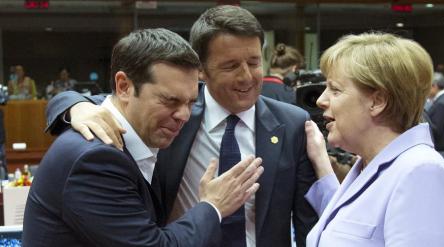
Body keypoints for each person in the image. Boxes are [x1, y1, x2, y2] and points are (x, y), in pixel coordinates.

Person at [44, 5, 318, 247]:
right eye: (231, 66)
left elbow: (308, 224)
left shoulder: (292, 124)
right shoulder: (174, 114)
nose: (246, 76)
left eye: (254, 62)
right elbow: (120, 100)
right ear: (202, 69)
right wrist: (74, 107)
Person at [23, 28, 263, 247]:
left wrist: (74, 104)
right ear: (124, 86)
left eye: (191, 102)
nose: (184, 115)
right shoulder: (97, 160)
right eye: (170, 101)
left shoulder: (131, 123)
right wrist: (212, 206)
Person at [303, 32, 444, 246]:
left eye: (335, 90)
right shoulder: (371, 165)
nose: (321, 100)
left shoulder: (421, 172)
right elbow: (344, 226)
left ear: (377, 101)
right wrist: (321, 162)